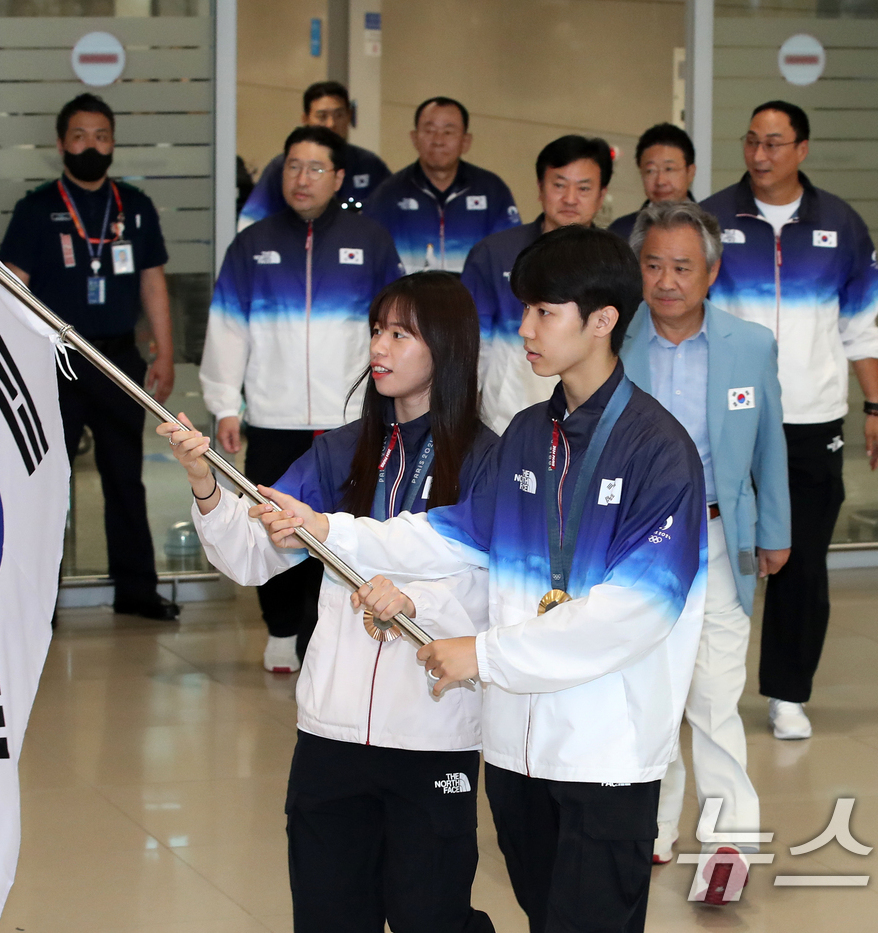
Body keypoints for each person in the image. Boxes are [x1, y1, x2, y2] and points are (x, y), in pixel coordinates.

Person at [258, 226, 708, 933]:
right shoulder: (530, 433)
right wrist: (326, 528)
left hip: (605, 755)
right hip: (516, 755)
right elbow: (443, 534)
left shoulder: (660, 451)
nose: (524, 328)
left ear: (602, 321)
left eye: (543, 312)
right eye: (524, 309)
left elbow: (635, 612)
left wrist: (483, 654)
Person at [164, 272, 497, 933]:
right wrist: (206, 486)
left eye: (402, 333)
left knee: (430, 916)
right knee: (327, 915)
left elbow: (486, 584)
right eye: (377, 330)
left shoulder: (488, 458)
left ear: (448, 346)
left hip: (433, 732)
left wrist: (413, 600)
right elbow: (253, 555)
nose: (381, 346)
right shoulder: (341, 452)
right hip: (331, 732)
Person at [701, 100, 878, 741]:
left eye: (774, 143)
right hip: (730, 417)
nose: (760, 154)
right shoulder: (713, 218)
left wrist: (876, 406)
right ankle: (701, 690)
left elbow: (860, 327)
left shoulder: (841, 223)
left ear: (802, 149)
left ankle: (788, 694)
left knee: (800, 560)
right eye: (752, 141)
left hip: (812, 418)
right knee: (717, 555)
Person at [619, 200, 790, 901]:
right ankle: (653, 826)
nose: (667, 280)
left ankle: (728, 842)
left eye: (682, 266)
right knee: (647, 691)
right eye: (653, 264)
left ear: (712, 271)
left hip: (722, 536)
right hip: (636, 543)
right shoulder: (611, 340)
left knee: (716, 695)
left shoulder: (749, 345)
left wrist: (774, 528)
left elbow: (772, 444)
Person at [200, 125, 403, 673]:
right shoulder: (252, 243)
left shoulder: (374, 242)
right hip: (273, 414)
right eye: (292, 166)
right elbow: (228, 328)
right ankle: (280, 628)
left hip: (348, 420)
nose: (302, 178)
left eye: (316, 168)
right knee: (269, 522)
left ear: (338, 177)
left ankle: (322, 632)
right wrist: (224, 403)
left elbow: (395, 330)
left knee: (336, 528)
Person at [0, 93, 179, 620]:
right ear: (60, 144)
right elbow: (14, 288)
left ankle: (137, 591)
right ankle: (39, 602)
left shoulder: (135, 207)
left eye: (101, 136)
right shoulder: (36, 209)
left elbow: (153, 284)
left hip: (118, 359)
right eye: (80, 136)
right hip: (54, 360)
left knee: (125, 476)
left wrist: (164, 353)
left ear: (113, 143)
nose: (91, 146)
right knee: (48, 481)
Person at [463, 135, 613, 433]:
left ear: (601, 194)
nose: (570, 198)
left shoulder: (615, 262)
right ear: (540, 189)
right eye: (559, 185)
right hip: (503, 423)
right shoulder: (494, 253)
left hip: (593, 426)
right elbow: (469, 349)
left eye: (583, 188)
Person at [363, 97, 519, 274]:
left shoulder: (492, 190)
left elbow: (509, 253)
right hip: (408, 299)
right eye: (429, 130)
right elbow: (371, 257)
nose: (438, 140)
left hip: (473, 300)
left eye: (448, 131)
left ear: (465, 141)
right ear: (414, 138)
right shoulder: (387, 194)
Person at [238, 81, 392, 231]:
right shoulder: (282, 166)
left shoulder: (370, 165)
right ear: (305, 119)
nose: (331, 124)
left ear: (349, 116)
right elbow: (250, 223)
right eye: (322, 116)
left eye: (339, 115)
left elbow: (393, 217)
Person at [607, 122, 696, 240]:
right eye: (650, 171)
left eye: (669, 169)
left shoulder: (713, 228)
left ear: (690, 172)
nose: (660, 181)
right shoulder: (620, 232)